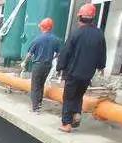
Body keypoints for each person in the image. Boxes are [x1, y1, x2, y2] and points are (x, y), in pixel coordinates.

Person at [56, 3, 106, 132]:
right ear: (93, 18)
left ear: (80, 18)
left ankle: (66, 124)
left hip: (73, 72)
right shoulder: (99, 34)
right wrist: (101, 67)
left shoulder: (76, 33)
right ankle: (77, 114)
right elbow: (102, 53)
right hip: (88, 73)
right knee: (79, 95)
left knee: (68, 97)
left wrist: (60, 67)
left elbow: (66, 52)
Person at [21, 18, 60, 113]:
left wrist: (24, 62)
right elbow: (59, 53)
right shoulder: (55, 40)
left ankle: (35, 108)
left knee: (35, 86)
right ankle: (39, 104)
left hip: (38, 65)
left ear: (42, 27)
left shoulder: (37, 39)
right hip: (48, 65)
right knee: (41, 85)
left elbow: (29, 54)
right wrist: (52, 58)